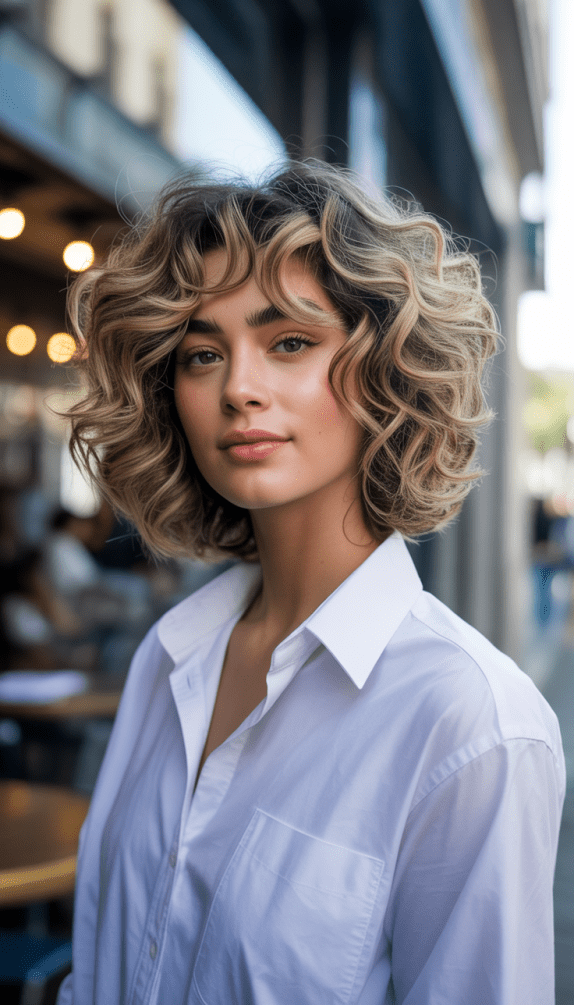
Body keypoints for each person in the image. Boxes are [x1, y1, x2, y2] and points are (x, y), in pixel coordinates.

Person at [56, 161, 564, 1005]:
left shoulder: (473, 725)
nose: (238, 389)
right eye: (201, 354)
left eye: (289, 341)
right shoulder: (170, 659)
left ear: (385, 372)